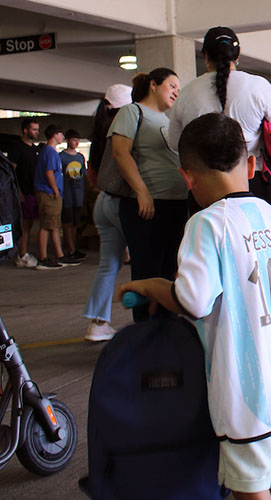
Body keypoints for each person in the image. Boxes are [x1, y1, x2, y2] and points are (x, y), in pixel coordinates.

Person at [119, 113, 271, 500]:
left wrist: (152, 286)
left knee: (250, 481)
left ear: (187, 177)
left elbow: (192, 299)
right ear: (252, 164)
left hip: (246, 388)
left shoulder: (207, 224)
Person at [168, 26, 271, 215]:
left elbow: (175, 144)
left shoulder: (187, 92)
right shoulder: (258, 86)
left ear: (205, 56)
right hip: (253, 181)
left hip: (205, 186)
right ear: (237, 55)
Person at [110, 68, 187, 321]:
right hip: (146, 205)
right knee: (147, 272)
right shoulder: (132, 111)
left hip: (176, 205)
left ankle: (166, 331)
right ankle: (145, 335)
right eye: (171, 85)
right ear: (153, 85)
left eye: (178, 87)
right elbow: (121, 153)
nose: (177, 90)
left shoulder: (169, 119)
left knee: (170, 273)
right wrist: (142, 191)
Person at [82, 84, 132, 341]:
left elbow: (92, 175)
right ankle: (149, 323)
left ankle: (98, 323)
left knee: (107, 265)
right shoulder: (124, 129)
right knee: (149, 261)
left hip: (102, 202)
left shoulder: (97, 133)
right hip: (121, 202)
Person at [33, 124, 81, 269]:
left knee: (54, 225)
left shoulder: (50, 151)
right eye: (61, 134)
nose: (62, 137)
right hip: (48, 192)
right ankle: (43, 257)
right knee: (47, 225)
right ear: (55, 135)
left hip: (51, 192)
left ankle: (60, 255)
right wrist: (55, 190)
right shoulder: (49, 152)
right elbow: (49, 173)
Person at [7, 118, 40, 268]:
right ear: (25, 130)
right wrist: (17, 192)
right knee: (24, 225)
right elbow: (11, 171)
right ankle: (22, 255)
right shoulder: (17, 147)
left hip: (33, 192)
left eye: (37, 129)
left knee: (30, 223)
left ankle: (23, 252)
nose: (36, 132)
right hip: (22, 192)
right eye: (33, 129)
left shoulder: (34, 149)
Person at [59, 129, 87, 260]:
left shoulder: (80, 157)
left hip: (78, 194)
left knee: (75, 223)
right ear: (67, 141)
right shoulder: (61, 157)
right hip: (67, 195)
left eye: (77, 140)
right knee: (67, 222)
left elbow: (84, 174)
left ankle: (73, 248)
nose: (76, 142)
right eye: (73, 139)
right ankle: (70, 249)